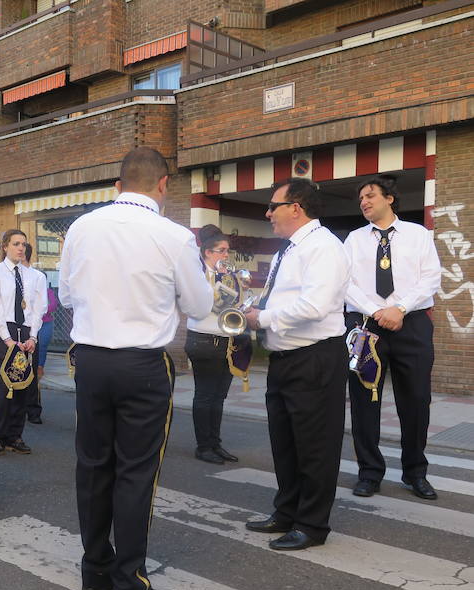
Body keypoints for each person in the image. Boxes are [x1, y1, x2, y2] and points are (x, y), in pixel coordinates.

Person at [59, 147, 212, 590]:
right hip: (143, 364)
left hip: (90, 361)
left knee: (93, 466)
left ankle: (94, 570)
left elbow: (65, 294)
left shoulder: (82, 227)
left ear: (118, 184)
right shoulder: (173, 235)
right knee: (135, 474)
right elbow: (201, 306)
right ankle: (130, 587)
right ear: (163, 185)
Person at [243, 178, 349, 551]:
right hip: (285, 357)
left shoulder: (323, 248)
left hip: (315, 356)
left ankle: (312, 524)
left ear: (297, 207)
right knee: (285, 443)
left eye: (274, 206)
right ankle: (286, 512)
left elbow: (314, 306)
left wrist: (264, 318)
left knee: (315, 446)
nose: (268, 213)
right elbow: (283, 296)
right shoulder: (287, 250)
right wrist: (252, 309)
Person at [344, 176, 441, 501]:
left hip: (411, 324)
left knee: (415, 401)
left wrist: (399, 308)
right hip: (366, 327)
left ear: (390, 199)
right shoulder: (354, 240)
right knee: (364, 401)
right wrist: (376, 310)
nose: (364, 202)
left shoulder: (418, 235)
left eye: (370, 196)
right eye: (361, 199)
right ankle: (369, 473)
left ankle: (416, 473)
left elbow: (430, 278)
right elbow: (345, 283)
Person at [186, 225, 249, 465]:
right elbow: (195, 304)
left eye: (227, 251)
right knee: (205, 395)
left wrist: (240, 290)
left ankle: (215, 443)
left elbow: (236, 305)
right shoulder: (196, 273)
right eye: (221, 250)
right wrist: (217, 285)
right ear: (207, 252)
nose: (226, 255)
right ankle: (203, 446)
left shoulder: (227, 275)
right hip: (202, 339)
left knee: (219, 396)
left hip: (227, 339)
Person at [0, 229, 47, 459]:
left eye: (23, 244)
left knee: (23, 387)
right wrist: (8, 339)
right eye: (16, 244)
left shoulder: (33, 276)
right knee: (3, 387)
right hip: (5, 333)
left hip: (26, 333)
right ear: (5, 247)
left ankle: (14, 436)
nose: (21, 248)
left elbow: (38, 309)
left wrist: (33, 337)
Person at [22, 244, 49, 424]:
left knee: (31, 372)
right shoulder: (3, 275)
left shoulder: (36, 276)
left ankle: (33, 410)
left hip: (30, 328)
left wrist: (33, 334)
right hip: (11, 329)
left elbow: (41, 307)